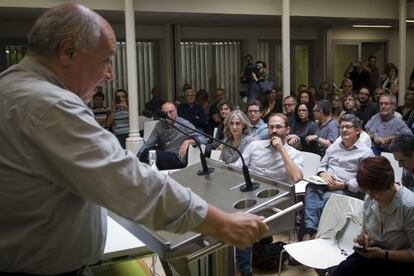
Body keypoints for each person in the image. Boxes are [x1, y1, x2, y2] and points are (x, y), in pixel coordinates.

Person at [0, 4, 268, 274]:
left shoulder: (12, 86)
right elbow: (128, 182)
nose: (110, 75)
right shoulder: (48, 105)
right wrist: (221, 223)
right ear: (68, 51)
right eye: (106, 60)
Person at [231, 113, 304, 276]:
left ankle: (245, 269)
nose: (274, 131)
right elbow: (236, 170)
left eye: (278, 127)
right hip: (248, 195)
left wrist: (281, 149)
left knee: (244, 217)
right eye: (271, 127)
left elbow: (296, 178)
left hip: (275, 203)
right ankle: (237, 257)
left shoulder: (294, 154)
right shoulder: (254, 146)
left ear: (288, 129)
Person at [333, 156, 414, 276]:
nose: (370, 196)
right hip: (375, 254)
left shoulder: (408, 206)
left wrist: (383, 254)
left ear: (389, 184)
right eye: (367, 192)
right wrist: (364, 238)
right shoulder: (371, 198)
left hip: (399, 260)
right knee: (343, 269)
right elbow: (365, 232)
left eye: (375, 192)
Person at [303, 114, 374, 239]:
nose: (344, 130)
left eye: (348, 127)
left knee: (327, 198)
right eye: (341, 127)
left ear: (357, 130)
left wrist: (345, 184)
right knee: (310, 188)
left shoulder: (366, 152)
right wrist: (322, 173)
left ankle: (320, 235)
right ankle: (310, 230)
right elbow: (321, 165)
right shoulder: (333, 147)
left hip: (347, 188)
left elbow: (366, 180)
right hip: (326, 182)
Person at [138, 102, 207, 170]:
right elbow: (148, 143)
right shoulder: (159, 125)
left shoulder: (184, 124)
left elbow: (203, 139)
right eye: (165, 113)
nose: (168, 115)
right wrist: (137, 158)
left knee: (153, 154)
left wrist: (188, 142)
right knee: (148, 152)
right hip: (164, 156)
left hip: (178, 158)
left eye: (171, 112)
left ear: (176, 111)